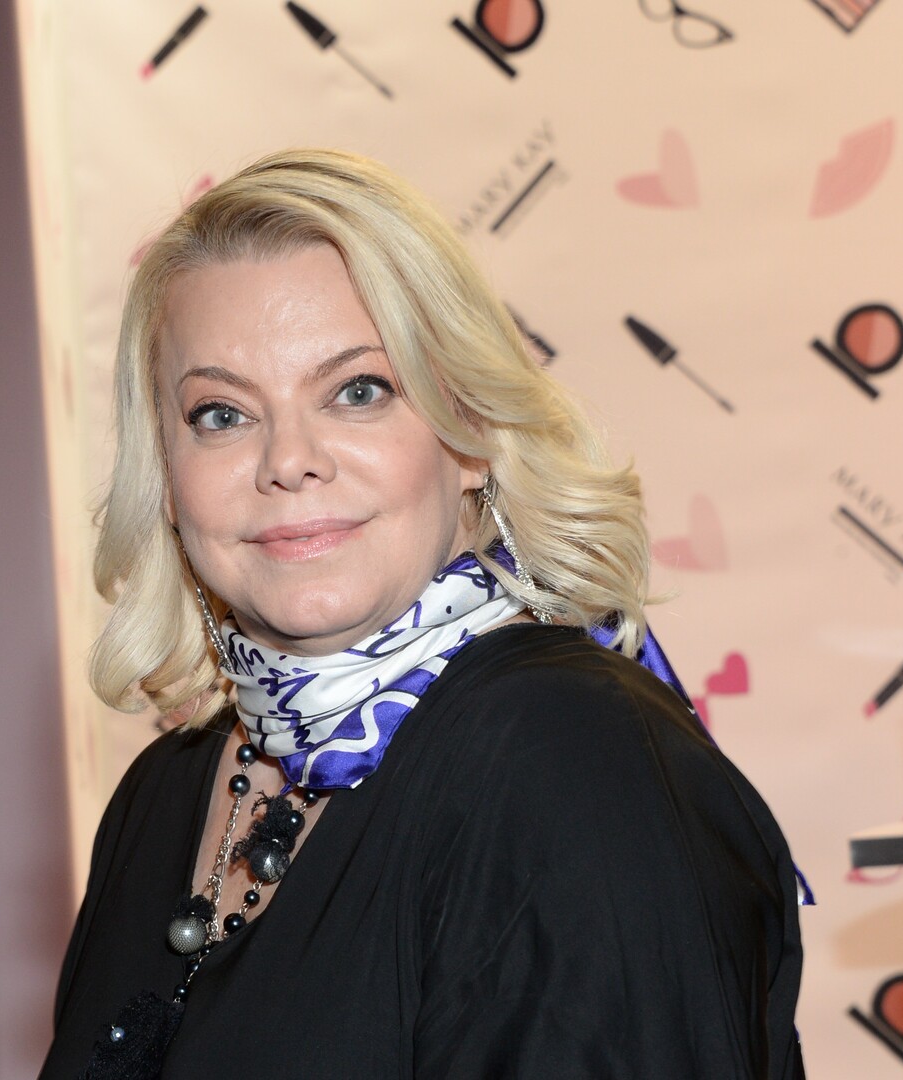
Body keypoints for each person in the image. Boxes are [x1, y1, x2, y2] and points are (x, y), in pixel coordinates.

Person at [40, 149, 804, 1079]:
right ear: (165, 478)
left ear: (471, 434)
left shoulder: (572, 758)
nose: (287, 460)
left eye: (357, 391)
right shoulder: (167, 787)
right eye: (220, 414)